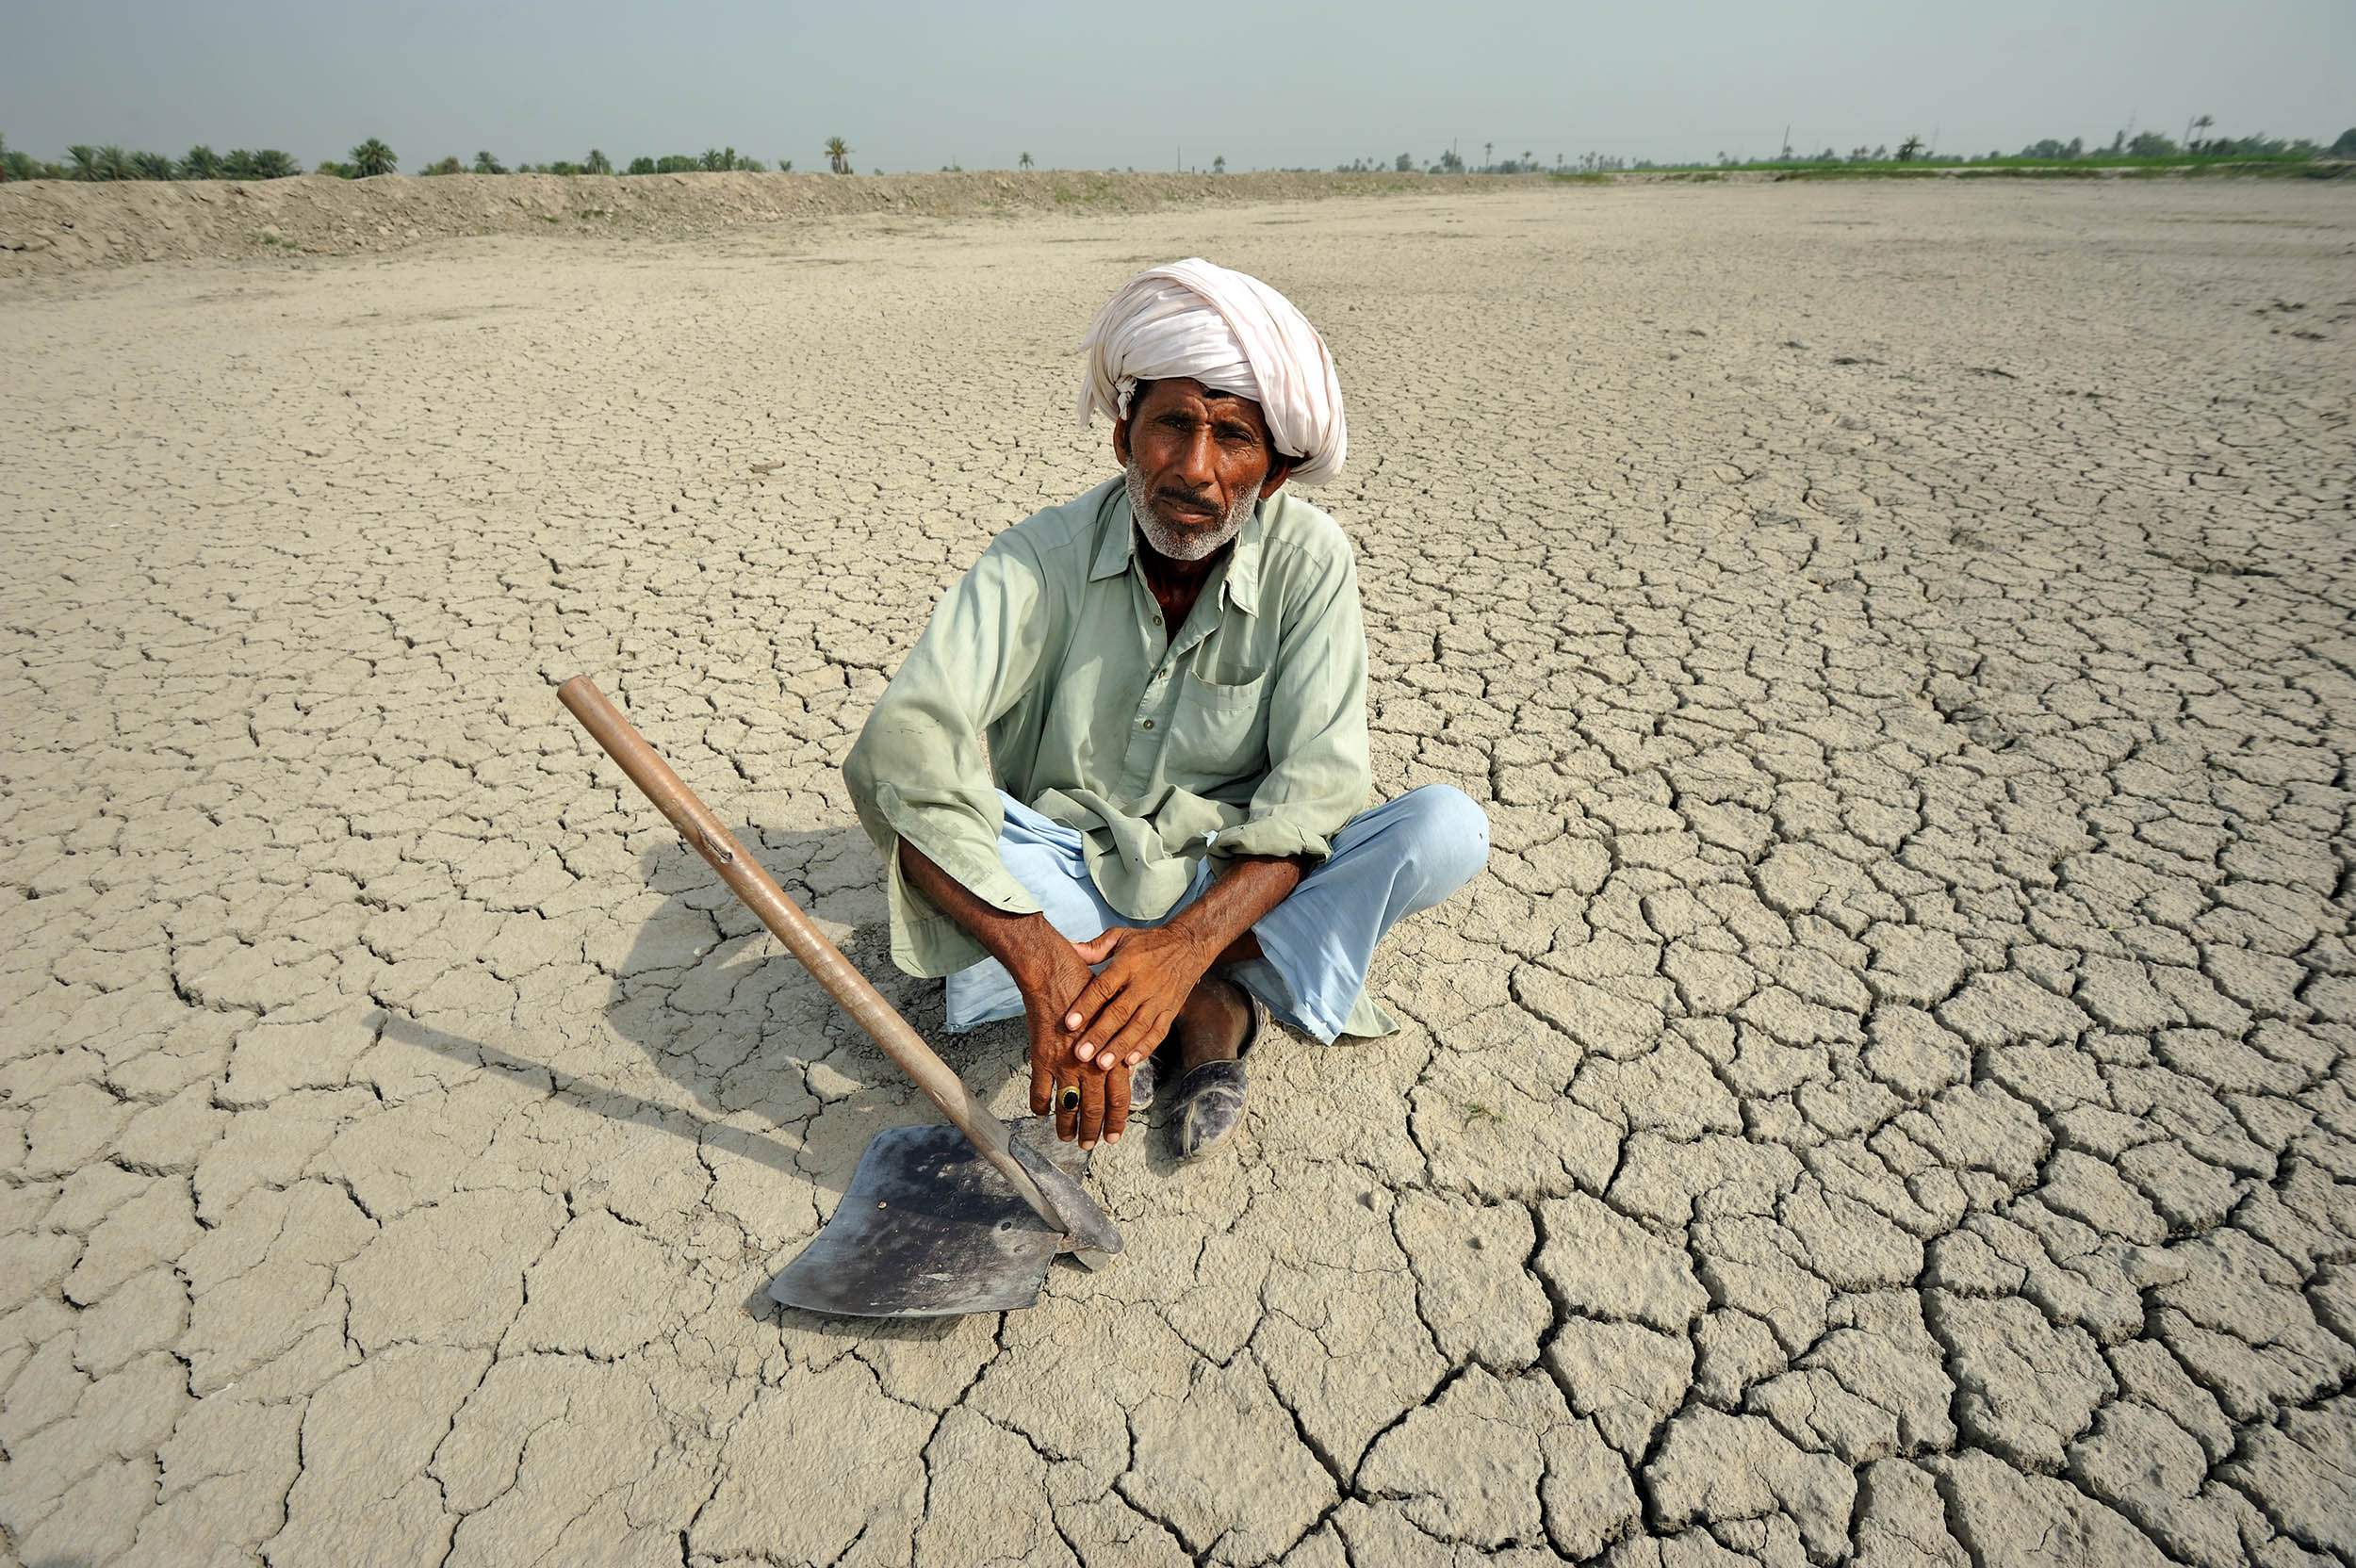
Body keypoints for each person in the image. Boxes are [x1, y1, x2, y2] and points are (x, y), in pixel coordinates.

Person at [843, 258, 1488, 1158]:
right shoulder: (1039, 558)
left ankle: (1186, 984)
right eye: (1172, 426)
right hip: (1068, 869)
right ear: (1122, 438)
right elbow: (901, 749)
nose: (1196, 470)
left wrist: (1185, 945)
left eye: (1232, 437)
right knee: (945, 823)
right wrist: (1038, 958)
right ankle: (1185, 1004)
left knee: (1447, 828)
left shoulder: (1311, 562)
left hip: (1235, 878)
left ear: (1276, 474)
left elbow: (1315, 794)